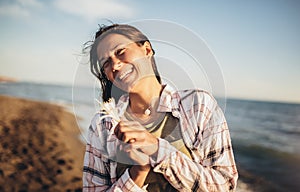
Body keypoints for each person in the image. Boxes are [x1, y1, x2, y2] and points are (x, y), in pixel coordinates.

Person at [82, 23, 238, 191]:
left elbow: (224, 185)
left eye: (120, 52)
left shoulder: (198, 105)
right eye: (106, 63)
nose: (115, 65)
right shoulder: (103, 126)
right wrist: (137, 173)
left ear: (147, 50)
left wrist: (158, 150)